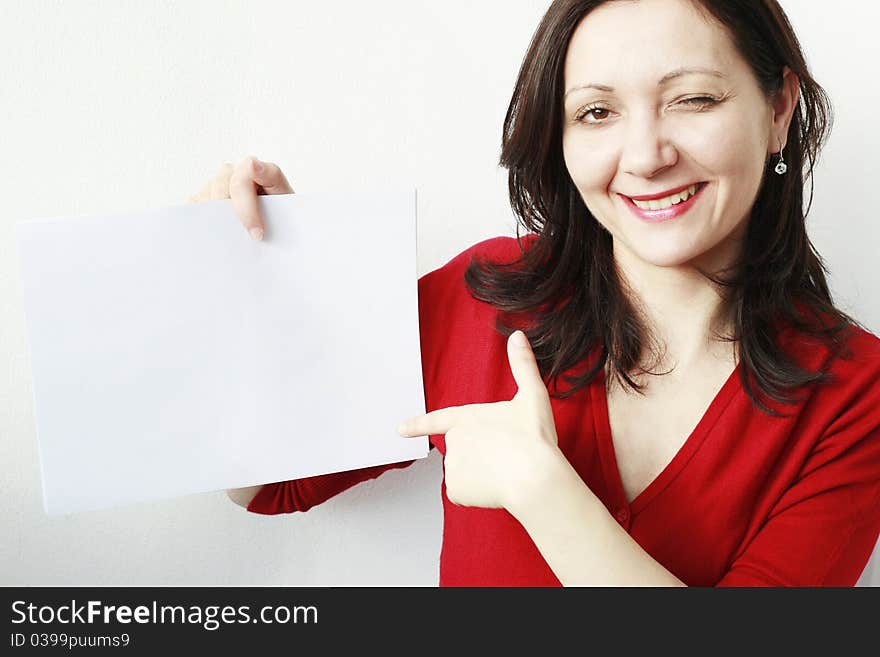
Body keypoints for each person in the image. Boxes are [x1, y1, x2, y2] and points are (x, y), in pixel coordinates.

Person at [188, 0, 880, 586]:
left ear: (779, 107)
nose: (644, 156)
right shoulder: (484, 296)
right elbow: (268, 486)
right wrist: (263, 281)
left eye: (692, 99)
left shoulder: (857, 393)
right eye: (597, 112)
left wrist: (541, 491)